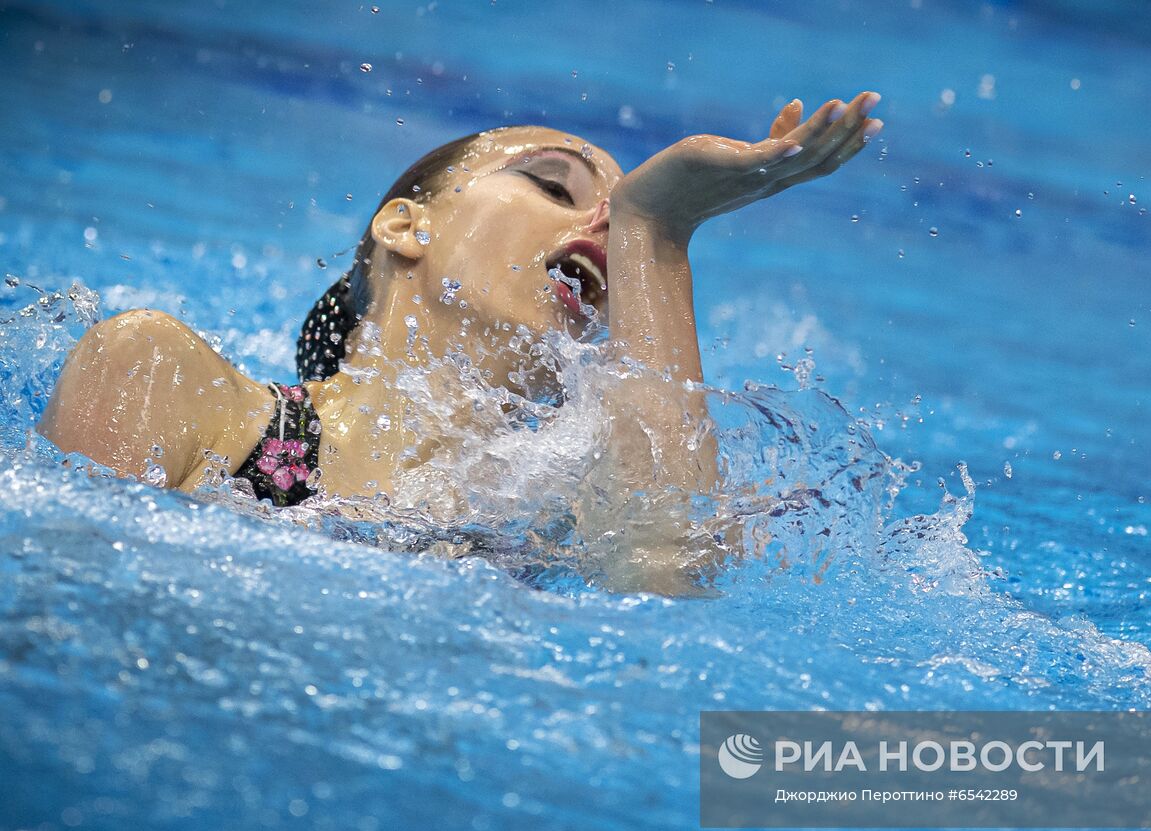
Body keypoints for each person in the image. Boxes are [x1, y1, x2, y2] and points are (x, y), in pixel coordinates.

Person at [37, 91, 884, 594]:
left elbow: (662, 590)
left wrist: (657, 235)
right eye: (556, 186)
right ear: (406, 226)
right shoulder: (171, 378)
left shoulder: (561, 509)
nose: (599, 227)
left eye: (615, 225)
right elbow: (72, 604)